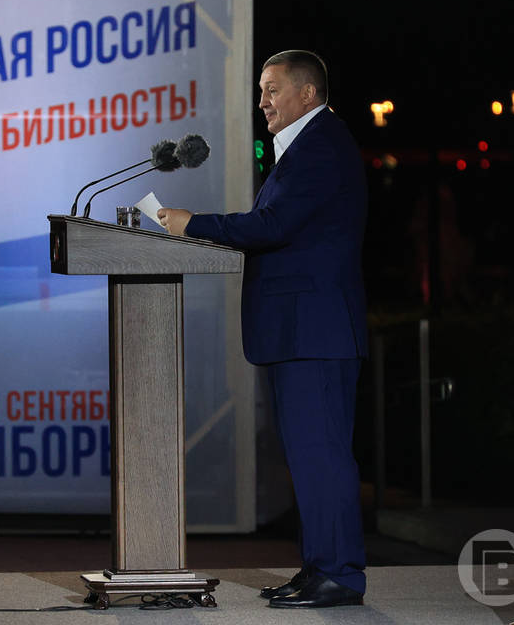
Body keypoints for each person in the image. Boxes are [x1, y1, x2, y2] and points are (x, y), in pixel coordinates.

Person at [158, 50, 368, 609]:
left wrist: (192, 224)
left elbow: (273, 226)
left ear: (308, 93)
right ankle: (320, 567)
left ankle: (340, 574)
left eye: (272, 89)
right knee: (309, 457)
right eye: (260, 90)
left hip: (315, 332)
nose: (262, 102)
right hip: (301, 331)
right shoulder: (306, 147)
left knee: (322, 456)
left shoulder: (321, 144)